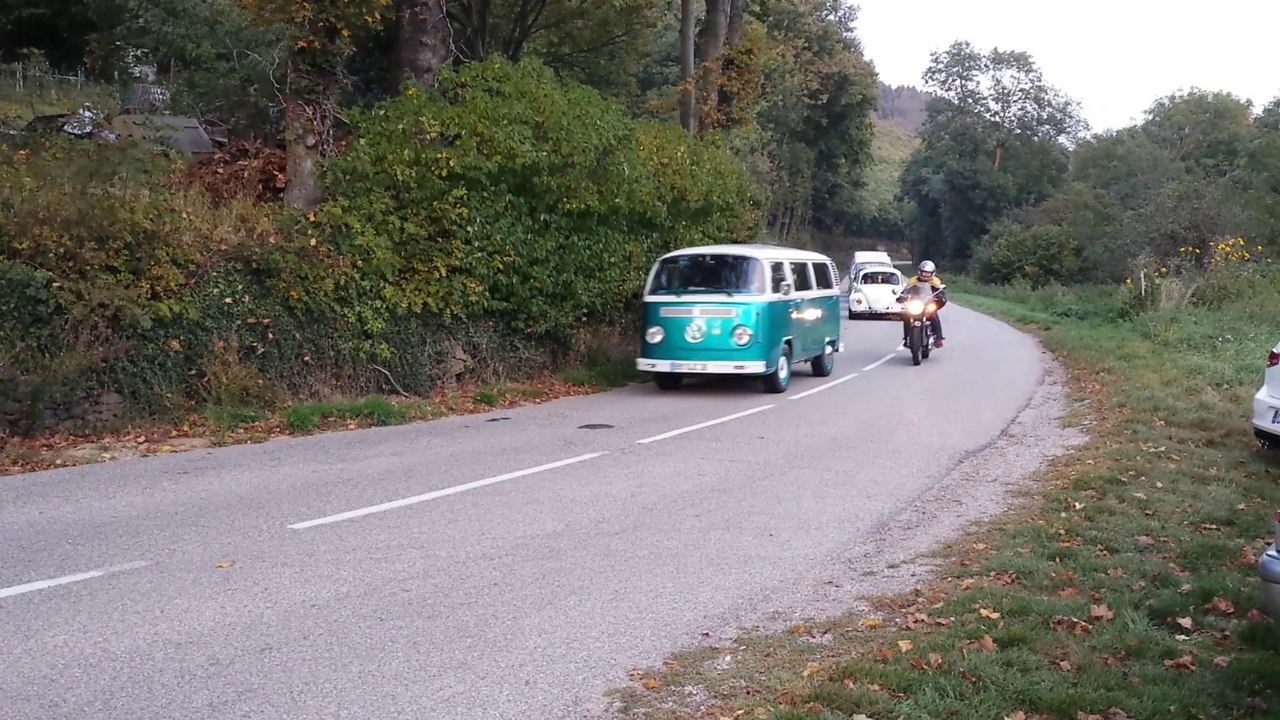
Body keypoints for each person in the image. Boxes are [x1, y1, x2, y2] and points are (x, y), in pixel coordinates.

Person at [900, 260, 946, 349]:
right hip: (916, 303)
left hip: (928, 303)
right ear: (919, 271)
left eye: (928, 273)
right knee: (906, 315)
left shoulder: (935, 281)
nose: (925, 275)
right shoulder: (913, 280)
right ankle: (907, 338)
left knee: (933, 315)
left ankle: (939, 338)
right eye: (924, 273)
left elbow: (939, 291)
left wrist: (940, 295)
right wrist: (902, 296)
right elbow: (906, 290)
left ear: (932, 273)